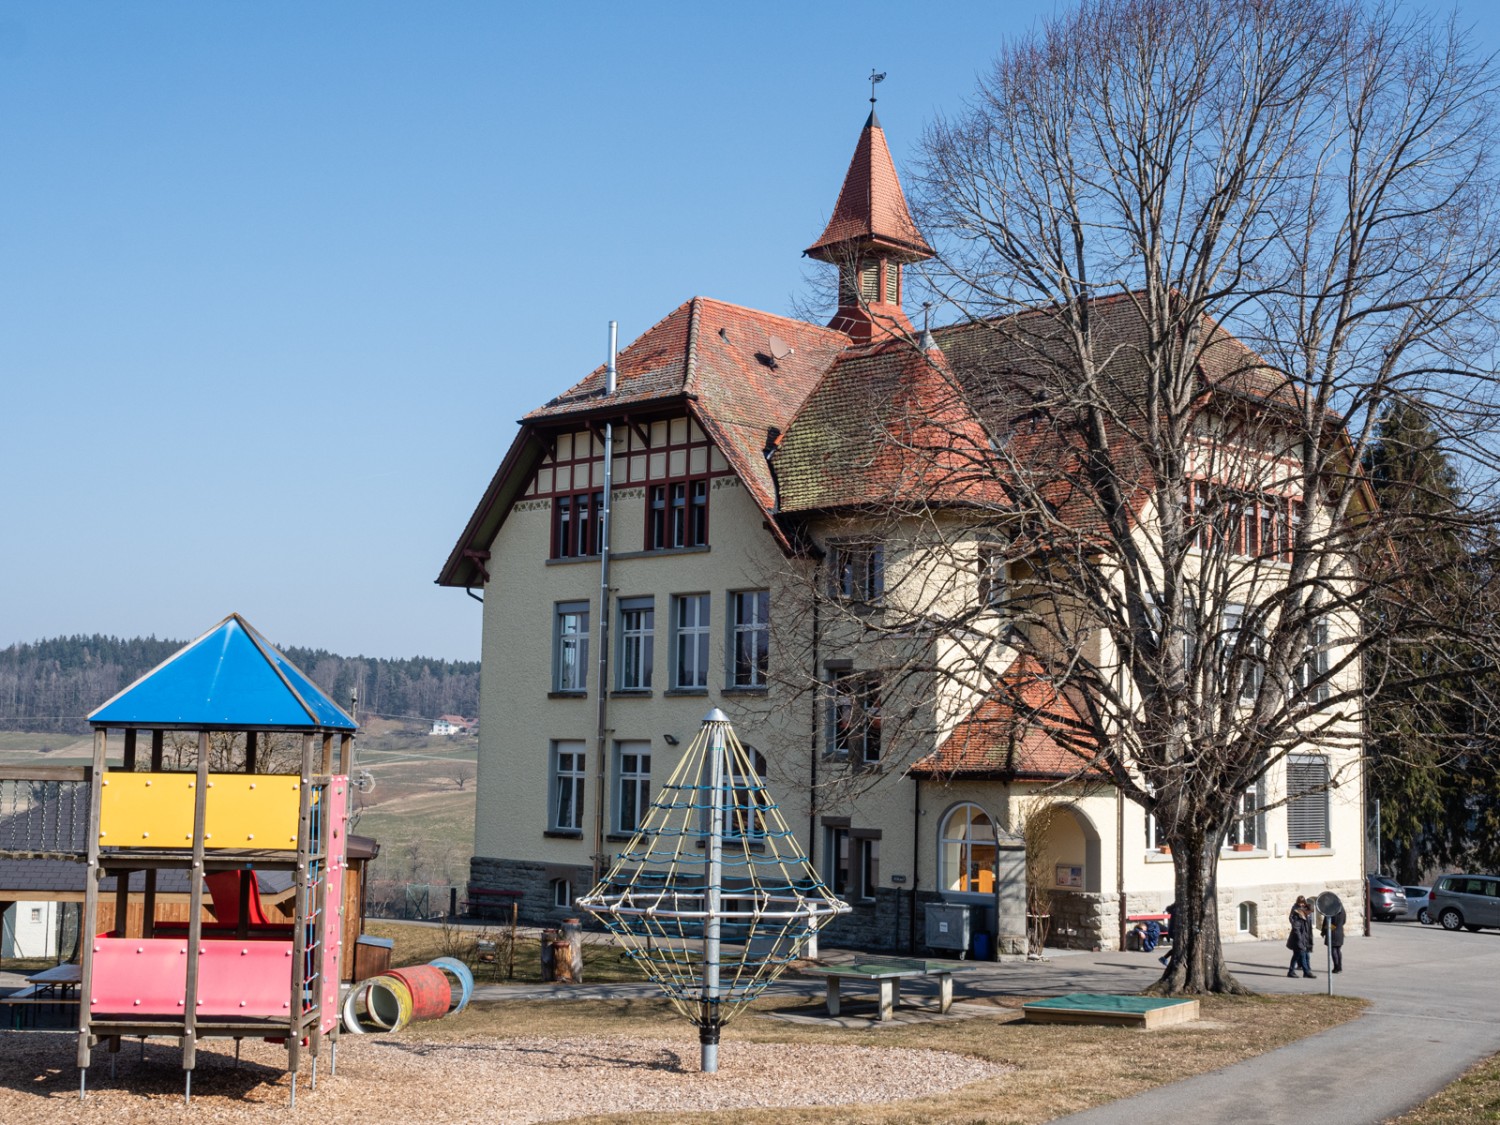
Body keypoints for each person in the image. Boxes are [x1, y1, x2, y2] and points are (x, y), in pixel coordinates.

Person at [1286, 897, 1314, 978]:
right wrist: (1300, 939)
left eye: (1303, 903)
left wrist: (1308, 907)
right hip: (1298, 939)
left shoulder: (1304, 913)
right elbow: (1296, 928)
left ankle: (1292, 971)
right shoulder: (1297, 915)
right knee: (1301, 954)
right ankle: (1306, 972)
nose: (1302, 905)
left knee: (1298, 955)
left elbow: (1311, 910)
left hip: (1303, 937)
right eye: (1300, 903)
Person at [1320, 902, 1347, 973]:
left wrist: (1324, 931)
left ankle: (1336, 967)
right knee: (1338, 950)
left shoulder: (1331, 911)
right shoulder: (1342, 910)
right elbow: (1344, 921)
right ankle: (1339, 967)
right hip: (1340, 931)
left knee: (1333, 950)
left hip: (1333, 932)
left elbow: (1327, 922)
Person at [1158, 902, 1177, 966]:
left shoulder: (1174, 910)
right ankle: (1165, 958)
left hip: (1172, 931)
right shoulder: (1177, 911)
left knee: (1176, 947)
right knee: (1177, 947)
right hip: (1175, 931)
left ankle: (1164, 958)